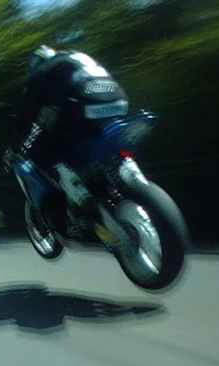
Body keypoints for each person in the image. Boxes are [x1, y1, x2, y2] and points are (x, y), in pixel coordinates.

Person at [8, 45, 129, 235]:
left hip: (83, 106)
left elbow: (27, 116)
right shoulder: (77, 58)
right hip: (118, 102)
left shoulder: (40, 72)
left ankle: (79, 193)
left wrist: (17, 145)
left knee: (39, 149)